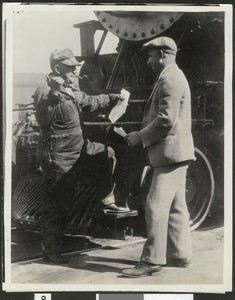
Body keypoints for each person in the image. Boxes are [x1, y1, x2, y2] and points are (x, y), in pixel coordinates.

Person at [33, 48, 129, 264]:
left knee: (107, 153)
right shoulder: (45, 90)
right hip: (59, 156)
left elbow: (88, 101)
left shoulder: (69, 89)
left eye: (75, 67)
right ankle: (50, 251)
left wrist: (112, 97)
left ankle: (106, 199)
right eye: (70, 68)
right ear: (57, 68)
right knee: (58, 204)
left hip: (79, 147)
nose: (75, 72)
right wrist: (53, 95)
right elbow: (43, 120)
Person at [122, 37, 195, 278]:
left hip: (169, 154)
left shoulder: (170, 78)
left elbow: (166, 119)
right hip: (176, 152)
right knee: (176, 207)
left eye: (151, 56)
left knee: (154, 205)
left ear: (162, 54)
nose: (149, 60)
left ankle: (152, 260)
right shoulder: (173, 75)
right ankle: (181, 254)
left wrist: (139, 136)